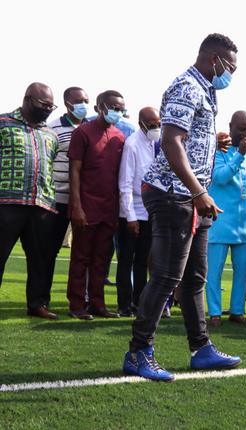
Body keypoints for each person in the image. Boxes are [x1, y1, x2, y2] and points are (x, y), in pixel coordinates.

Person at [124, 33, 242, 382]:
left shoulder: (206, 90)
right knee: (166, 277)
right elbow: (170, 140)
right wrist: (197, 191)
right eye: (230, 68)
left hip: (193, 196)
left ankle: (201, 348)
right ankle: (138, 352)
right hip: (174, 194)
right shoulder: (187, 87)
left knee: (194, 279)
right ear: (214, 60)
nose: (231, 75)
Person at [0, 83, 59, 320]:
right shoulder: (3, 123)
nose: (47, 109)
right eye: (42, 104)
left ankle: (37, 304)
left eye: (50, 106)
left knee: (40, 259)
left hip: (41, 205)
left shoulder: (50, 134)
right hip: (6, 202)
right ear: (27, 99)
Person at [66, 90, 127, 320]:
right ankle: (76, 304)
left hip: (109, 208)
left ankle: (97, 304)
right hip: (86, 206)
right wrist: (77, 207)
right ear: (99, 107)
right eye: (113, 107)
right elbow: (75, 171)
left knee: (102, 259)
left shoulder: (119, 137)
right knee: (81, 257)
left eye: (121, 108)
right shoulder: (83, 132)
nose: (117, 112)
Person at [206, 111, 246, 326]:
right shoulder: (219, 151)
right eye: (242, 129)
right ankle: (215, 313)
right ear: (230, 127)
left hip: (245, 224)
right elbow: (219, 179)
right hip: (220, 223)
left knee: (242, 272)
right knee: (215, 272)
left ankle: (237, 311)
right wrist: (238, 154)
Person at [117, 107, 161, 317]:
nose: (156, 128)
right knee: (126, 260)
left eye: (158, 124)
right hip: (132, 212)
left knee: (142, 261)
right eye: (152, 125)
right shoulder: (132, 144)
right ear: (141, 123)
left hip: (149, 211)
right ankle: (124, 304)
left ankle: (139, 301)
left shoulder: (154, 144)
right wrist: (130, 217)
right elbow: (125, 183)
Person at [45, 87, 89, 296]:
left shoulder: (91, 128)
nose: (84, 105)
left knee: (84, 253)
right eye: (79, 100)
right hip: (58, 198)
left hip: (86, 200)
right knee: (49, 250)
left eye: (86, 100)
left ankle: (80, 298)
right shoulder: (52, 128)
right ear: (67, 102)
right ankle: (41, 297)